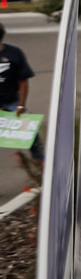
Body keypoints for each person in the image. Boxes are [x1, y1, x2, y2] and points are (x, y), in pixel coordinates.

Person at [0, 21, 35, 180]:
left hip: (12, 101)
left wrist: (21, 105)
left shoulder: (14, 53)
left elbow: (23, 80)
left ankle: (42, 168)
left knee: (31, 137)